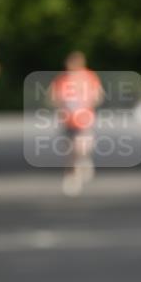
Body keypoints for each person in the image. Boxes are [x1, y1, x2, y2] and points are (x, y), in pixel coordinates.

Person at [50, 51, 103, 196]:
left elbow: (98, 95)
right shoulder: (62, 79)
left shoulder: (89, 77)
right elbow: (53, 97)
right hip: (68, 120)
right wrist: (61, 104)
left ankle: (81, 164)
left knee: (81, 147)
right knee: (69, 151)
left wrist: (87, 102)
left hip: (84, 120)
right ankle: (72, 176)